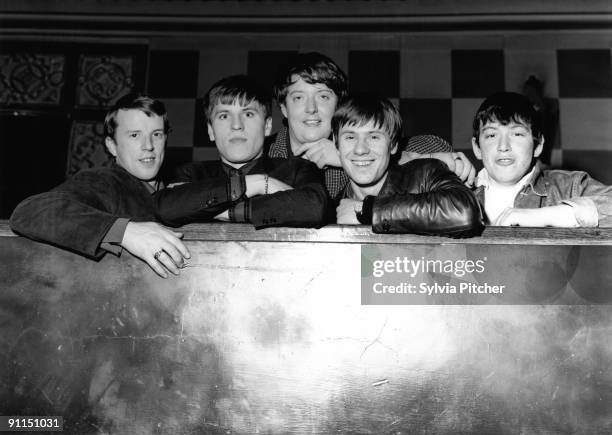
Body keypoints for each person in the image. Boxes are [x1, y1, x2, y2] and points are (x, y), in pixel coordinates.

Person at [9, 94, 191, 278]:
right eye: (135, 135)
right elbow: (30, 211)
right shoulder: (103, 181)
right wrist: (126, 232)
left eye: (157, 134)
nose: (148, 146)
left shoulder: (178, 184)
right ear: (112, 146)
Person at [267, 51, 476, 199]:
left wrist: (352, 158)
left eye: (322, 96)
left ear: (340, 105)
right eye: (298, 98)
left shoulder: (367, 146)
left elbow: (433, 150)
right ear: (284, 108)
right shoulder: (262, 154)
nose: (311, 108)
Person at [154, 75, 328, 228]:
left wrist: (219, 211)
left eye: (248, 114)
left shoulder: (297, 169)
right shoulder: (191, 173)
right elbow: (166, 208)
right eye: (224, 116)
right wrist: (256, 183)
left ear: (267, 126)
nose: (236, 125)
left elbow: (314, 209)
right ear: (210, 130)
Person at [334, 93, 484, 237]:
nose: (360, 149)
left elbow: (464, 212)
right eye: (350, 137)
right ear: (336, 143)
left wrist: (368, 211)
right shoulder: (331, 208)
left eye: (374, 137)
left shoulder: (424, 174)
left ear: (392, 144)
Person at [472, 92, 612, 227]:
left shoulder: (569, 187)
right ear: (477, 147)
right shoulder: (457, 192)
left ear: (538, 145)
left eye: (517, 134)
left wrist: (545, 216)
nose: (503, 146)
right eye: (491, 135)